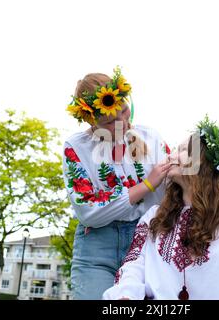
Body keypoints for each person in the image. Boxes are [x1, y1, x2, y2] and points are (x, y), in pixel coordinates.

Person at [103, 116, 219, 300]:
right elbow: (134, 265)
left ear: (203, 163)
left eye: (183, 150)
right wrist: (126, 294)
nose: (172, 155)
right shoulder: (154, 218)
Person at [62, 67, 172, 299]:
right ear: (91, 119)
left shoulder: (151, 138)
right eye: (110, 121)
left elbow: (180, 182)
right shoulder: (76, 148)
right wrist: (147, 186)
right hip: (96, 250)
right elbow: (89, 211)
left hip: (147, 243)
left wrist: (216, 160)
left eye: (124, 111)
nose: (123, 122)